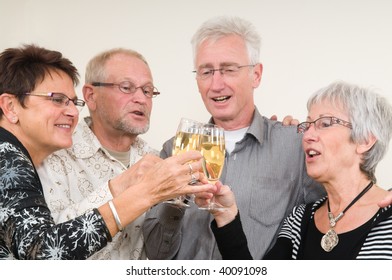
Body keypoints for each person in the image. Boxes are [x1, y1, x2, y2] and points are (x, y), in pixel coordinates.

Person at [0, 44, 213, 259]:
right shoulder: (14, 156)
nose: (72, 111)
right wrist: (145, 191)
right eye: (57, 99)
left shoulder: (157, 158)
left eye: (148, 91)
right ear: (10, 106)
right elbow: (44, 253)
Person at [142, 16, 326, 260]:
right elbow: (155, 255)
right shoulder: (172, 150)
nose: (216, 84)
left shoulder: (295, 146)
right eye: (206, 72)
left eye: (228, 69)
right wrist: (177, 196)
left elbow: (336, 221)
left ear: (256, 75)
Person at [198, 81, 392, 259]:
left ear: (365, 140)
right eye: (307, 125)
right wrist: (226, 215)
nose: (307, 135)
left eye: (324, 124)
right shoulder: (299, 219)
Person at [36, 48, 164, 259]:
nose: (141, 98)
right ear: (91, 96)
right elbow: (46, 249)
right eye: (126, 87)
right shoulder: (53, 156)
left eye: (148, 91)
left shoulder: (158, 160)